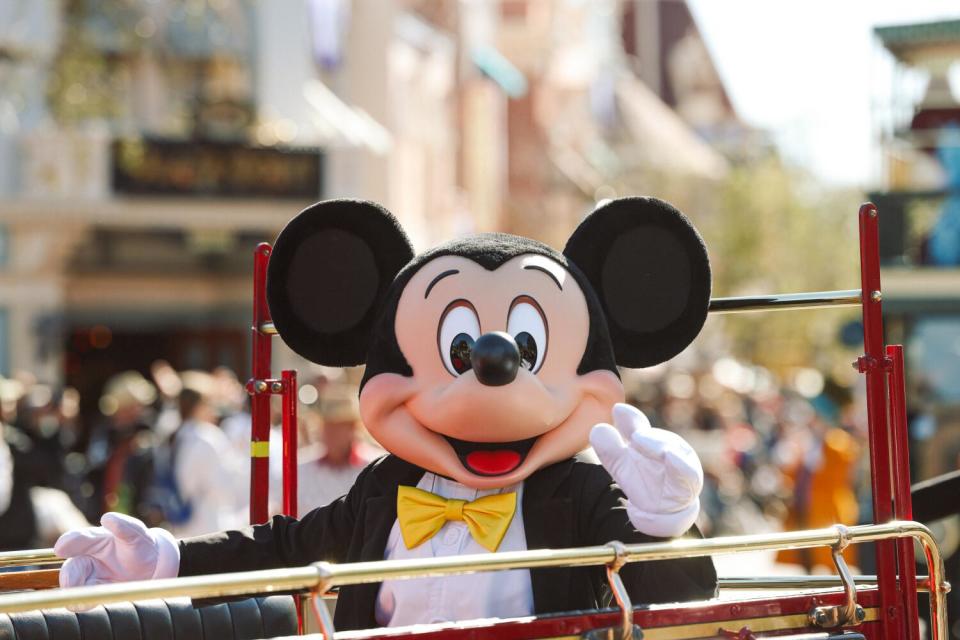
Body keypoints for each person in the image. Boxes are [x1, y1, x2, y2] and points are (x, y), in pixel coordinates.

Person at [165, 376, 247, 537]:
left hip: (183, 521)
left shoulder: (177, 435)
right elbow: (224, 486)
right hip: (210, 523)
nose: (214, 409)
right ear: (198, 406)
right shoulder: (207, 436)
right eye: (210, 403)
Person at [297, 386, 381, 514]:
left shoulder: (375, 466)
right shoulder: (301, 467)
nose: (331, 433)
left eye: (338, 426)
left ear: (353, 429)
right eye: (328, 426)